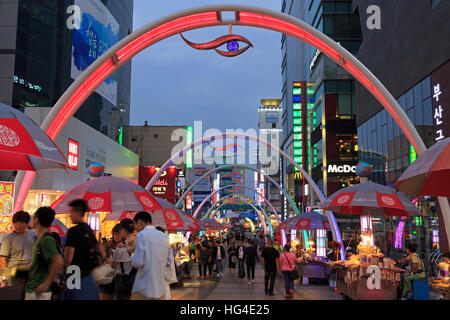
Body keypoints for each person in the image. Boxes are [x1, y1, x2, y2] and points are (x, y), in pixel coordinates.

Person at [62, 199, 106, 300]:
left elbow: (68, 259)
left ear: (80, 212)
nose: (70, 215)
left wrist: (64, 275)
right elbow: (101, 251)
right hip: (89, 276)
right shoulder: (88, 229)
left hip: (74, 275)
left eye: (72, 211)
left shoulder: (73, 231)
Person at [25, 207, 64, 300]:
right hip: (34, 288)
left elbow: (58, 262)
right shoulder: (41, 238)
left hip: (38, 291)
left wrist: (46, 284)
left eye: (33, 216)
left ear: (37, 219)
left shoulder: (46, 239)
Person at [130, 211, 170, 300]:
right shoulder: (163, 236)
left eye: (135, 225)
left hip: (143, 287)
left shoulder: (141, 235)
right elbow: (168, 261)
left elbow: (138, 262)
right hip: (159, 288)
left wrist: (132, 254)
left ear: (139, 222)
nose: (135, 228)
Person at [0, 211, 35, 292]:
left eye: (21, 223)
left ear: (26, 224)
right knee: (13, 295)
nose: (18, 226)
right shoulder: (8, 239)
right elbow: (2, 260)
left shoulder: (31, 236)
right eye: (16, 223)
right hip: (14, 273)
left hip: (29, 272)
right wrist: (5, 281)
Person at [112, 219, 137, 300]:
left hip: (123, 279)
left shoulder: (122, 246)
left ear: (123, 230)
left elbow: (114, 265)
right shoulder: (140, 239)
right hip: (136, 278)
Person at [99, 224, 121, 300]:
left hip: (118, 277)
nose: (116, 236)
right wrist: (106, 257)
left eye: (118, 233)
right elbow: (100, 258)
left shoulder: (126, 245)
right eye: (114, 233)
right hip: (107, 276)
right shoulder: (107, 245)